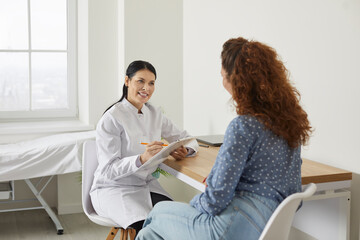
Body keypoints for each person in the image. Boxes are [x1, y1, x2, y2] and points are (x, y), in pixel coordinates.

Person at [136, 37, 312, 240]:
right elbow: (292, 194)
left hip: (231, 228)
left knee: (156, 213)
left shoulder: (243, 126)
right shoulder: (290, 125)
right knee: (149, 233)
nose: (222, 81)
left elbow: (215, 199)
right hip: (268, 227)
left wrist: (196, 204)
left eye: (223, 75)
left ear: (237, 81)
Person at [90, 60, 199, 236]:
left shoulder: (155, 114)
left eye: (151, 83)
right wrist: (141, 159)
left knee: (177, 221)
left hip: (145, 186)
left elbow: (187, 138)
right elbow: (108, 170)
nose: (146, 88)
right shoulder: (111, 118)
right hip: (114, 189)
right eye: (140, 81)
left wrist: (186, 150)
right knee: (150, 229)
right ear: (127, 81)